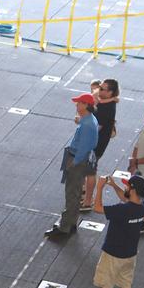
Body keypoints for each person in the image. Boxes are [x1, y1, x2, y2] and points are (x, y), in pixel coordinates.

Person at [85, 174, 144, 288]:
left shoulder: (122, 209)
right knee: (126, 282)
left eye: (127, 185)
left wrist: (100, 187)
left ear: (132, 190)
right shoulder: (143, 206)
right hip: (130, 255)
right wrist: (113, 185)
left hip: (113, 253)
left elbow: (97, 208)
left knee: (106, 282)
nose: (125, 187)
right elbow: (127, 198)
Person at [46, 93, 100, 239]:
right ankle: (71, 223)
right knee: (75, 193)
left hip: (77, 160)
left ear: (86, 105)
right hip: (79, 159)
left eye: (79, 103)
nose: (76, 105)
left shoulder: (87, 124)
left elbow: (84, 147)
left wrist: (74, 163)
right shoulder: (89, 120)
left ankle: (64, 227)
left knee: (72, 194)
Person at [82, 79, 120, 211]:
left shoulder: (107, 108)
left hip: (95, 145)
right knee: (86, 170)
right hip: (93, 143)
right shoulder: (105, 102)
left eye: (102, 89)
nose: (99, 90)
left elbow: (96, 128)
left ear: (110, 92)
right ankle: (85, 194)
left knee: (90, 171)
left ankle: (88, 201)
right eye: (100, 87)